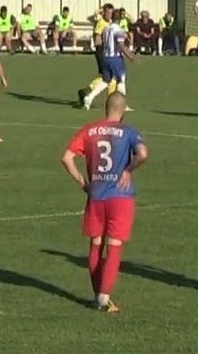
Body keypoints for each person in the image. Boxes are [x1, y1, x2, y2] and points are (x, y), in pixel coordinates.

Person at [61, 92, 149, 313]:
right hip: (120, 196)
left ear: (105, 108)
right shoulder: (128, 131)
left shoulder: (90, 130)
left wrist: (83, 183)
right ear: (123, 109)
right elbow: (143, 154)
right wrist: (128, 170)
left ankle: (97, 295)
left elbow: (67, 158)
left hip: (96, 194)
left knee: (96, 244)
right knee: (115, 245)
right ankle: (103, 297)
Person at [85, 7, 134, 111]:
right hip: (115, 59)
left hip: (106, 57)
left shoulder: (107, 28)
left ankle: (89, 97)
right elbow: (121, 46)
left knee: (105, 81)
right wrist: (130, 57)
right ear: (119, 19)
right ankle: (123, 105)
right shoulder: (118, 30)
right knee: (121, 81)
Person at [77, 4, 116, 107]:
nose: (110, 15)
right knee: (109, 76)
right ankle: (109, 101)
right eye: (108, 13)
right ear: (103, 12)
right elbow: (97, 38)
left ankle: (85, 92)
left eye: (111, 13)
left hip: (108, 52)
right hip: (102, 52)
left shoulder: (110, 22)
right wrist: (103, 48)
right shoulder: (101, 23)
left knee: (104, 76)